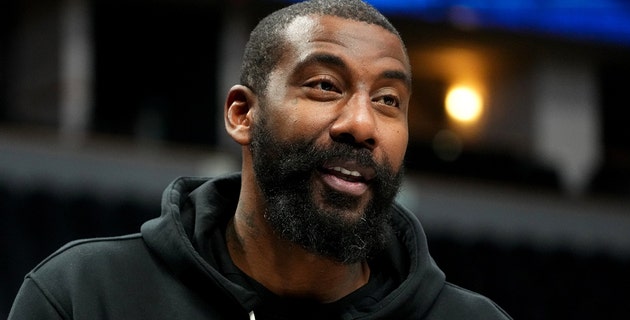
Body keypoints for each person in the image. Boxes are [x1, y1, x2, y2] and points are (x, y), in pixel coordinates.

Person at [9, 0, 512, 319]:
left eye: (388, 100)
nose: (362, 124)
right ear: (242, 114)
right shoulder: (85, 294)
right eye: (325, 86)